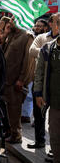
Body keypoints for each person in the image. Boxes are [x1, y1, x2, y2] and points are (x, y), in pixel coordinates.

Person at [33, 14, 60, 163]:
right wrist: (38, 94)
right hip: (55, 104)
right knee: (56, 137)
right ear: (56, 27)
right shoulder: (48, 48)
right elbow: (39, 74)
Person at [28, 13, 59, 149]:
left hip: (55, 84)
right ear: (51, 24)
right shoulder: (42, 38)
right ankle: (40, 140)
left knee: (55, 121)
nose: (57, 25)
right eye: (56, 22)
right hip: (41, 81)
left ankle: (54, 149)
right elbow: (32, 51)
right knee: (39, 113)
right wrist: (48, 51)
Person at [1, 18, 35, 143]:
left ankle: (16, 135)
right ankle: (10, 131)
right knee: (8, 108)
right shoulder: (11, 34)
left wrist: (22, 79)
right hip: (6, 79)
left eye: (14, 19)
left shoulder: (27, 36)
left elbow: (29, 61)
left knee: (14, 109)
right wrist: (5, 34)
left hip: (16, 81)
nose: (10, 21)